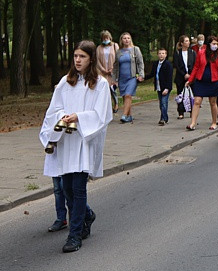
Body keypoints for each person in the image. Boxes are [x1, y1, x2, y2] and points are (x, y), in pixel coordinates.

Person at [39, 40, 112, 253]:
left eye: (82, 57)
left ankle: (75, 234)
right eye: (75, 56)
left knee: (78, 189)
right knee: (66, 188)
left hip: (83, 142)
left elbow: (102, 115)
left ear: (91, 59)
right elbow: (53, 109)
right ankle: (87, 215)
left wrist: (78, 117)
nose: (78, 60)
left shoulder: (100, 84)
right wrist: (62, 117)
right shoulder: (65, 82)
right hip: (66, 142)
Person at [186, 35, 218, 131]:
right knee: (197, 101)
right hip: (201, 81)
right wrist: (190, 80)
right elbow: (196, 67)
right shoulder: (201, 53)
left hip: (213, 81)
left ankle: (214, 122)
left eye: (216, 44)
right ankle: (192, 123)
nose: (215, 46)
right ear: (208, 44)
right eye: (213, 44)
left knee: (213, 102)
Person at [112, 32, 144, 123]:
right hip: (122, 78)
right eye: (124, 38)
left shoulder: (135, 49)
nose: (126, 40)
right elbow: (115, 66)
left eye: (128, 38)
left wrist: (141, 75)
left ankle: (124, 115)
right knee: (124, 96)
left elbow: (140, 62)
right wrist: (114, 79)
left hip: (132, 77)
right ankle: (129, 116)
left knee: (128, 95)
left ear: (131, 40)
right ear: (121, 40)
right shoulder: (119, 52)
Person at [143, 48, 173, 126]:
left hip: (165, 87)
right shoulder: (156, 64)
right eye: (160, 53)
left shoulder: (168, 64)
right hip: (159, 86)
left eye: (163, 53)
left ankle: (163, 119)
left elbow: (169, 77)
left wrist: (167, 88)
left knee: (164, 102)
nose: (161, 55)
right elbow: (152, 74)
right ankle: (165, 117)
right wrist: (143, 77)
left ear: (166, 55)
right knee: (161, 104)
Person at [173, 35, 196, 120]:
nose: (188, 42)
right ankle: (181, 112)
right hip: (180, 77)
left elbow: (195, 64)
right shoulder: (177, 53)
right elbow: (177, 65)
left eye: (188, 41)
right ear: (182, 43)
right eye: (186, 41)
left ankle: (191, 111)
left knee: (191, 94)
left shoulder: (192, 52)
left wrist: (191, 75)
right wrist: (184, 74)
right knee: (180, 94)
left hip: (191, 77)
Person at [96, 30, 119, 113]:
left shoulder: (114, 46)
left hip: (113, 71)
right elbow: (97, 60)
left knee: (113, 89)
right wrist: (103, 70)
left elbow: (118, 58)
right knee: (104, 89)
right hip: (103, 72)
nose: (106, 39)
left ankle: (116, 104)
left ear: (110, 37)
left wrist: (112, 68)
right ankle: (106, 107)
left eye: (107, 37)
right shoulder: (99, 48)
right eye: (104, 38)